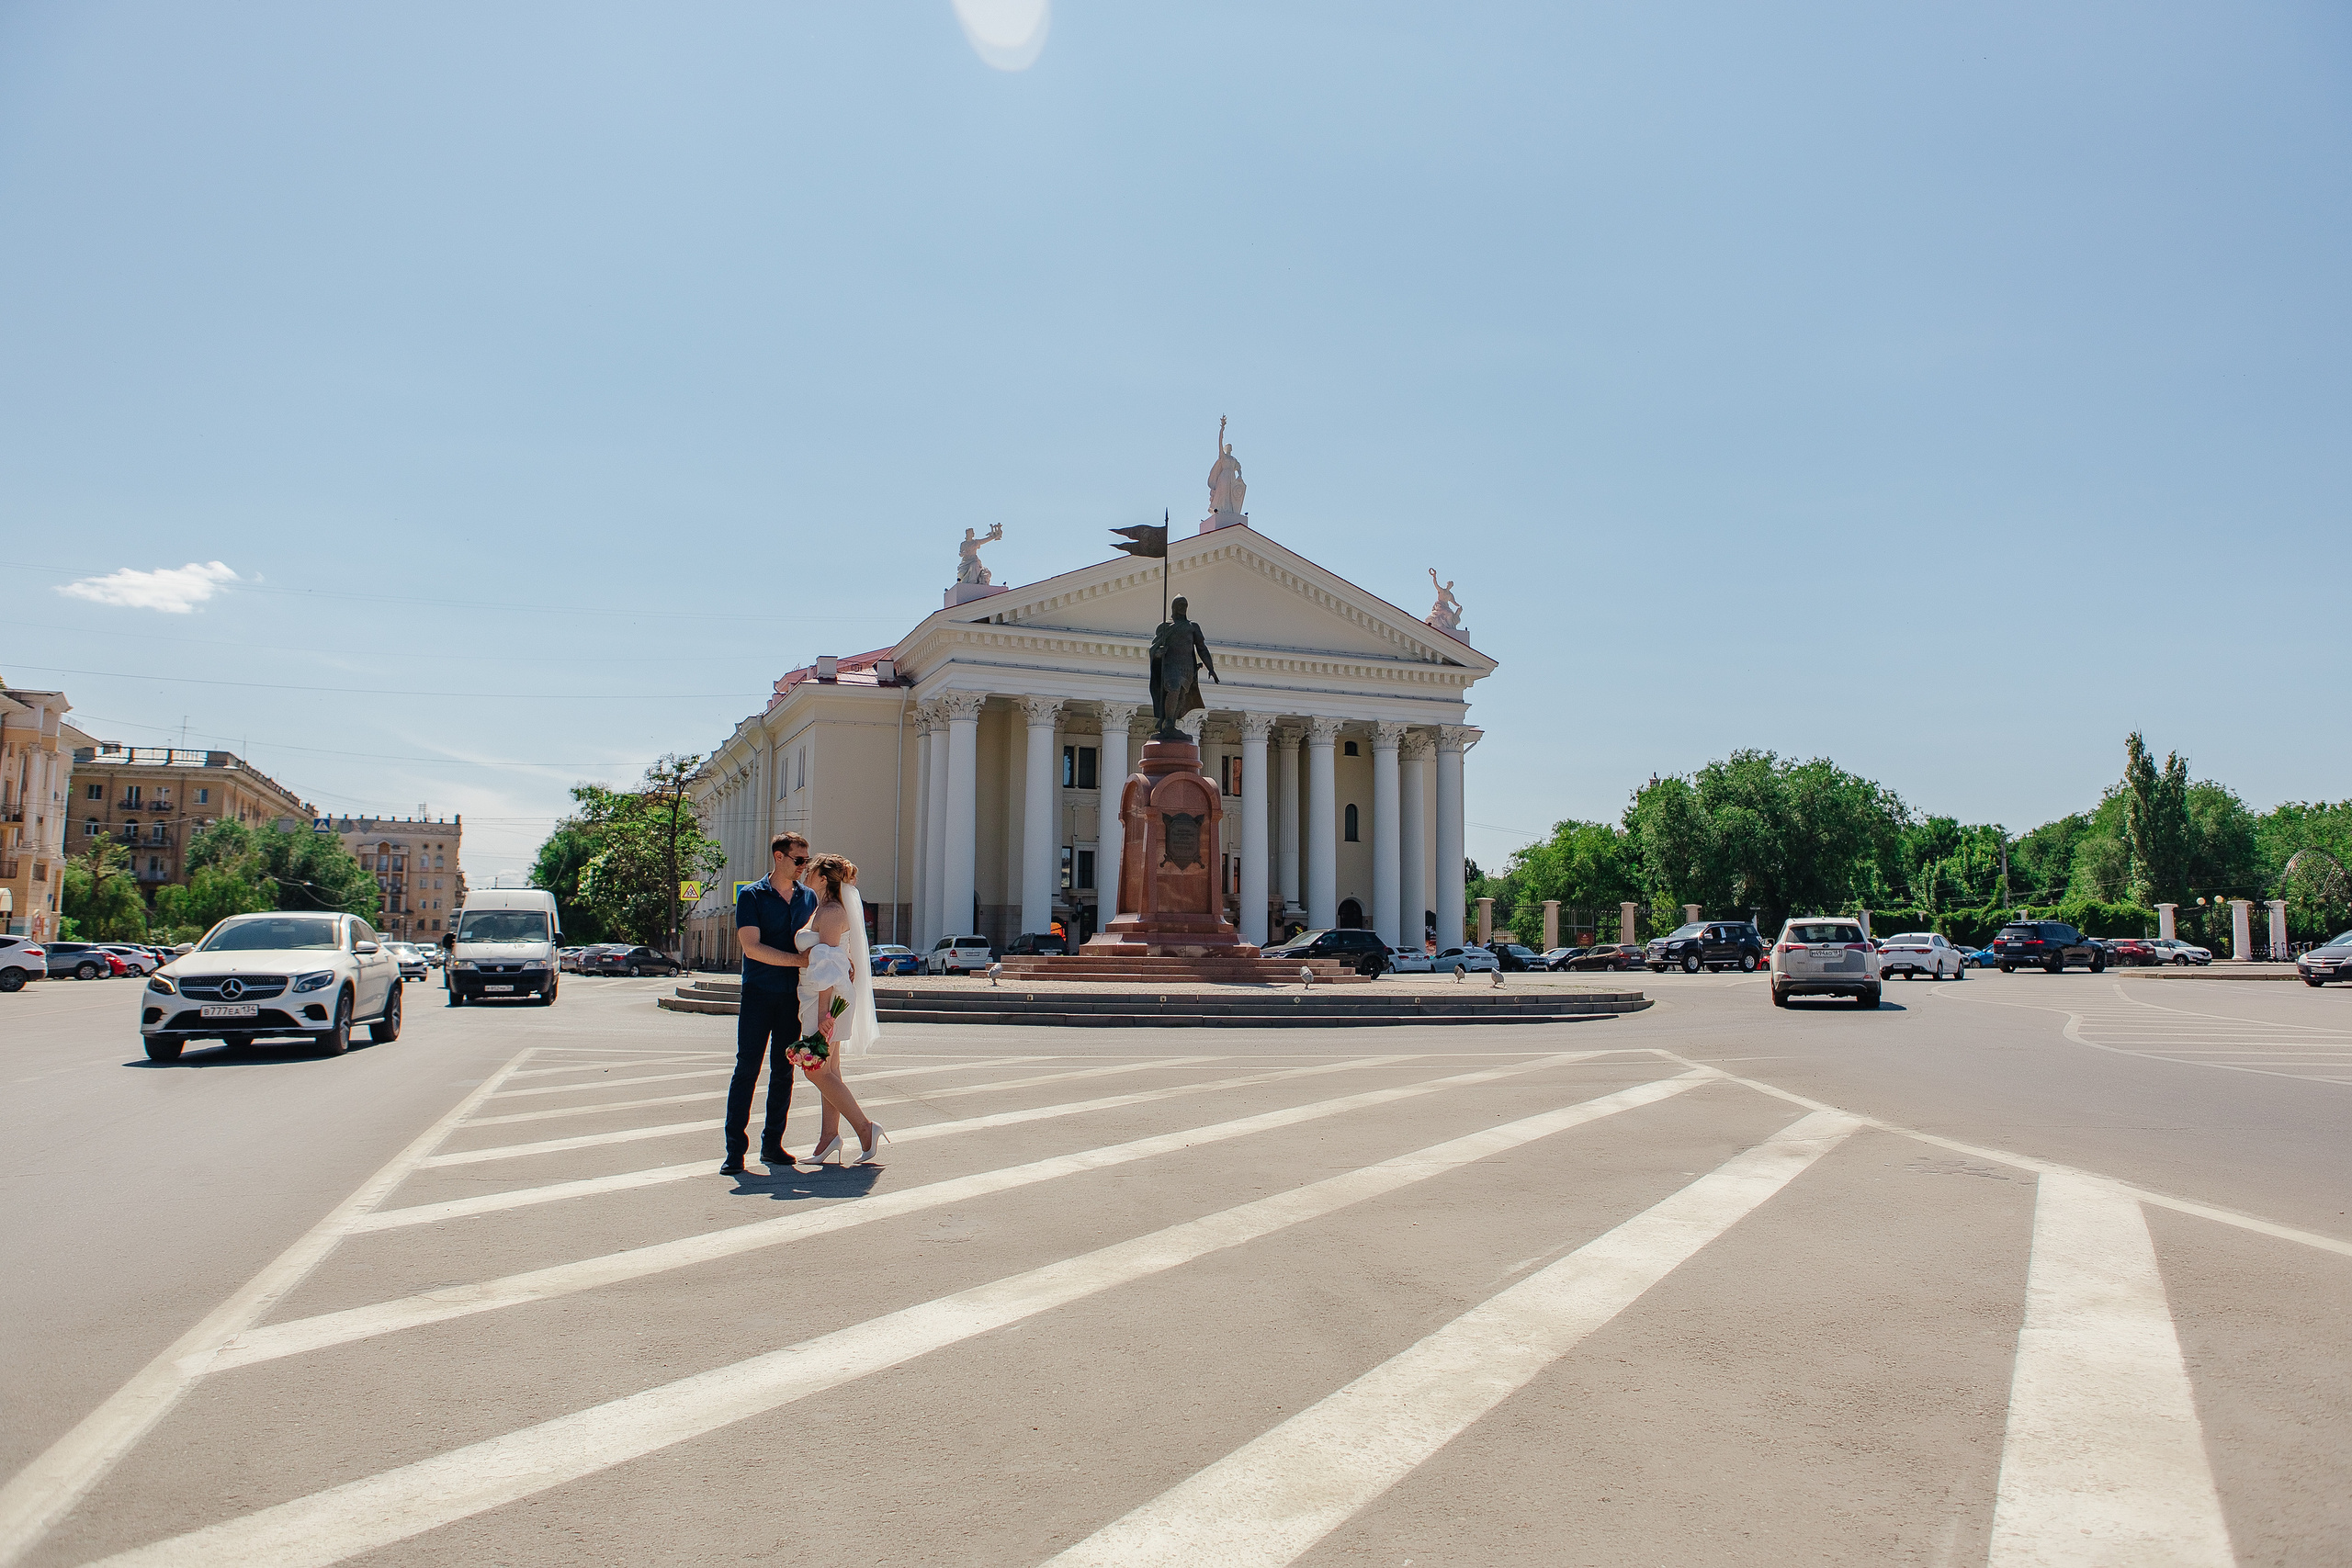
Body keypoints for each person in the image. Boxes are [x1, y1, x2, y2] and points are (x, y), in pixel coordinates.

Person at [722, 832, 816, 1175]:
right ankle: (735, 1152)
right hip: (759, 994)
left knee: (783, 1071)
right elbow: (752, 947)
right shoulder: (751, 895)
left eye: (806, 860)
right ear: (779, 857)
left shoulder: (809, 898)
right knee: (746, 1069)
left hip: (794, 997)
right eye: (799, 860)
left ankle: (773, 1145)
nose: (804, 866)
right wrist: (800, 962)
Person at [792, 853, 886, 1165]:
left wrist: (822, 1014)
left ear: (823, 877)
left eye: (812, 869)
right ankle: (828, 1137)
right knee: (828, 1070)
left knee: (814, 1068)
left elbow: (828, 967)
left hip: (826, 998)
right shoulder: (824, 908)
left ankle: (865, 1128)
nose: (805, 872)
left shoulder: (831, 912)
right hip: (820, 995)